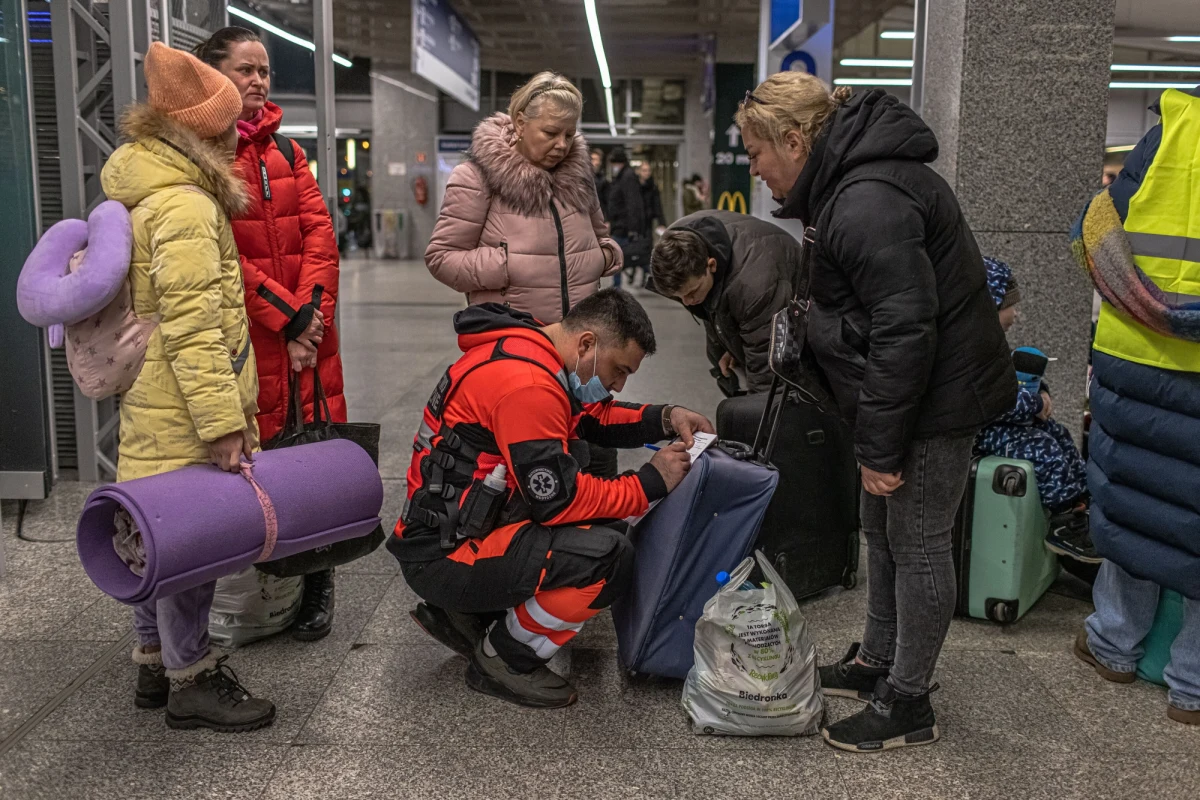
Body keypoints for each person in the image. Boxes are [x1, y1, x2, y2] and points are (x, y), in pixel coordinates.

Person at [736, 72, 1016, 752]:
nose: (755, 169)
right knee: (881, 531)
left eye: (756, 154)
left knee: (917, 542)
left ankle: (909, 701)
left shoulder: (867, 200)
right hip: (904, 396)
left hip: (934, 402)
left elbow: (905, 330)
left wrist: (883, 447)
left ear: (796, 140)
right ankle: (877, 662)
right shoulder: (849, 188)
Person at [389, 289, 714, 708]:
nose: (618, 384)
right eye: (618, 370)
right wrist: (650, 482)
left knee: (599, 510)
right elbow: (558, 502)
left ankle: (471, 614)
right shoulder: (526, 385)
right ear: (586, 344)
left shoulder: (527, 347)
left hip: (448, 533)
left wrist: (664, 417)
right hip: (445, 557)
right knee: (608, 557)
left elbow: (591, 418)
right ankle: (504, 656)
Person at [99, 42, 275, 732]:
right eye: (229, 124)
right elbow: (196, 328)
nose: (238, 135)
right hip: (184, 404)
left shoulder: (143, 189)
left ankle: (152, 665)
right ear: (203, 132)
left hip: (149, 396)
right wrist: (222, 422)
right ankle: (194, 677)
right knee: (189, 547)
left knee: (149, 530)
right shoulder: (188, 209)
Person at [196, 27, 344, 642]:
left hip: (308, 334)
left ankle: (317, 582)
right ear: (213, 78)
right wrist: (289, 319)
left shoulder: (287, 153)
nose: (258, 81)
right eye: (245, 69)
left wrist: (312, 316)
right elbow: (224, 256)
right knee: (262, 458)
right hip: (255, 336)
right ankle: (264, 581)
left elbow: (320, 233)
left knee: (313, 456)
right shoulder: (205, 156)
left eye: (264, 71)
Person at [1071, 85, 1200, 725]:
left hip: (1138, 354)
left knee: (1135, 505)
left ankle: (1113, 646)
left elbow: (1095, 230)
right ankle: (1193, 689)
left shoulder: (1174, 129)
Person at [426, 72, 623, 481]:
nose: (562, 145)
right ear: (518, 122)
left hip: (583, 350)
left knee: (597, 462)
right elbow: (442, 257)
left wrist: (603, 258)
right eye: (551, 132)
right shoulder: (477, 178)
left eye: (570, 134)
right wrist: (506, 264)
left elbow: (603, 237)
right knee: (533, 471)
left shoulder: (577, 175)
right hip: (518, 352)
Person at [975, 258, 1098, 564]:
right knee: (1041, 447)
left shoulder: (992, 345)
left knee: (1059, 433)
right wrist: (1034, 404)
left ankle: (1081, 503)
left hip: (1003, 424)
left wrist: (1040, 392)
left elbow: (1013, 384)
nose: (1016, 314)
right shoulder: (971, 354)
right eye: (1010, 306)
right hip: (981, 433)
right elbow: (993, 402)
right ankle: (1063, 519)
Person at [651, 210, 801, 394]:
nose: (687, 302)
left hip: (802, 314)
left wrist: (754, 416)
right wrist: (732, 347)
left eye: (692, 292)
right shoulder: (676, 246)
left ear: (711, 265)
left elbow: (767, 371)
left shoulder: (754, 285)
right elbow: (714, 307)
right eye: (679, 296)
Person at [606, 149, 647, 289]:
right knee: (626, 255)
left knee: (621, 255)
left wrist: (633, 228)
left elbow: (632, 203)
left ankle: (617, 285)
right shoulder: (623, 176)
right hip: (621, 224)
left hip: (623, 225)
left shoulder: (627, 177)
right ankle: (617, 284)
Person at [635, 162, 666, 288]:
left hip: (647, 223)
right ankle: (641, 274)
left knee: (647, 250)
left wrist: (661, 222)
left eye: (648, 170)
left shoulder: (653, 187)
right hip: (636, 223)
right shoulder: (634, 186)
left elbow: (658, 206)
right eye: (644, 170)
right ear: (639, 171)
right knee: (635, 249)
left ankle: (647, 276)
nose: (646, 173)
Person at [591, 148, 610, 218]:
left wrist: (607, 219)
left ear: (600, 162)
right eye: (592, 159)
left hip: (599, 216)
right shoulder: (583, 178)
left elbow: (606, 202)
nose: (594, 163)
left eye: (596, 159)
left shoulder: (604, 181)